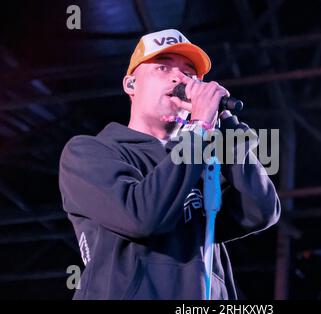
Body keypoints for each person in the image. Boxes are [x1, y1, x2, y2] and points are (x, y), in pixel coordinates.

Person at [58, 29, 280, 300]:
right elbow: (141, 216)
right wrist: (198, 129)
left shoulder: (200, 162)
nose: (180, 77)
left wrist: (227, 128)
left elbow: (260, 210)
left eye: (190, 73)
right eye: (163, 67)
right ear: (130, 84)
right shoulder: (88, 152)